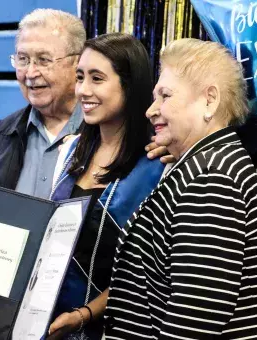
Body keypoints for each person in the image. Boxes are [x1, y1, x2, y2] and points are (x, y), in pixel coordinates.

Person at [105, 39, 257, 339]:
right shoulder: (207, 164)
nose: (151, 110)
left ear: (209, 101)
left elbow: (194, 321)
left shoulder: (211, 179)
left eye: (165, 96)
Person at [48, 33, 165, 339]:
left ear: (129, 84)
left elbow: (144, 273)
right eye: (80, 77)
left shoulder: (157, 166)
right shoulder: (71, 151)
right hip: (50, 323)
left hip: (114, 329)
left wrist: (84, 315)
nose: (83, 90)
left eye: (97, 78)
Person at [0, 9, 85, 198]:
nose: (30, 73)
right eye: (23, 60)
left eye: (43, 60)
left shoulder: (110, 137)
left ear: (77, 63)